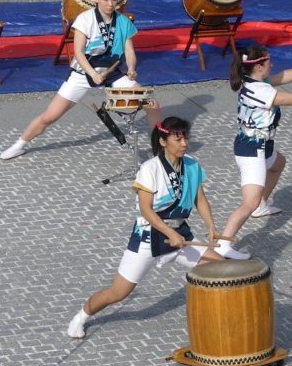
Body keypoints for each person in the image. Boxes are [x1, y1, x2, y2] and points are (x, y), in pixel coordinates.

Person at [66, 117, 224, 339]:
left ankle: (220, 317)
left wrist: (211, 226)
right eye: (178, 139)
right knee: (118, 292)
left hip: (181, 234)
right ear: (162, 141)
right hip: (149, 236)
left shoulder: (191, 165)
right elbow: (146, 210)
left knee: (223, 267)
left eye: (186, 138)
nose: (184, 144)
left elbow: (200, 198)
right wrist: (170, 233)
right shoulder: (150, 169)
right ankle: (82, 315)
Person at [0, 0, 162, 160]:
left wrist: (131, 67)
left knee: (152, 104)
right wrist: (92, 73)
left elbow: (129, 51)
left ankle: (159, 148)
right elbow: (78, 52)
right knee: (50, 117)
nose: (110, 3)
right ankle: (20, 144)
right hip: (83, 73)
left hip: (112, 73)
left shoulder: (123, 22)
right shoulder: (85, 19)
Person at [214, 45, 292, 260]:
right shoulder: (261, 91)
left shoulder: (254, 80)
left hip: (262, 145)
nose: (273, 64)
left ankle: (261, 205)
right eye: (269, 61)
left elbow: (283, 76)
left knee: (278, 164)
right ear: (259, 66)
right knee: (247, 203)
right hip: (251, 149)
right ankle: (223, 243)